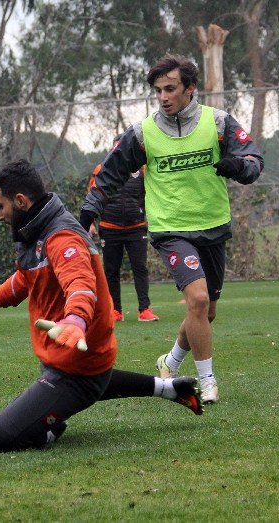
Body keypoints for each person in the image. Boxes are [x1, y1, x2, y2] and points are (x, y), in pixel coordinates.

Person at [0, 159, 202, 453]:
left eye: (0, 206)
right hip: (75, 364)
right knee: (89, 380)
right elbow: (27, 276)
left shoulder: (61, 237)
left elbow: (80, 284)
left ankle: (52, 427)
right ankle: (169, 388)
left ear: (20, 201)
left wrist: (75, 320)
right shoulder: (40, 229)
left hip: (77, 368)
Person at [80, 55, 263, 404]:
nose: (163, 97)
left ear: (189, 89)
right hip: (170, 229)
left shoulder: (218, 122)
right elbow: (109, 174)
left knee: (205, 311)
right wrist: (89, 211)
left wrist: (238, 166)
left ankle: (170, 360)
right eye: (157, 90)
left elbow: (254, 159)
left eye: (170, 89)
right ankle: (207, 382)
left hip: (212, 226)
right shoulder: (142, 133)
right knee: (196, 299)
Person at [88, 136, 158, 322]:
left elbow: (150, 195)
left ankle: (145, 310)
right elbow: (92, 197)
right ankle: (115, 311)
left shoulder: (143, 169)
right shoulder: (101, 170)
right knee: (111, 270)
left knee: (140, 268)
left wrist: (145, 214)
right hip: (109, 228)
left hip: (136, 228)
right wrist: (90, 224)